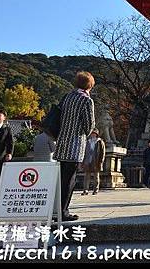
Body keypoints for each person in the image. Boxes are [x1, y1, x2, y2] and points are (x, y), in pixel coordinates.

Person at [53, 71, 96, 221]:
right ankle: (63, 211)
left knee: (60, 178)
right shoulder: (86, 100)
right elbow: (89, 125)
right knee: (69, 179)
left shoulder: (67, 97)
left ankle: (55, 209)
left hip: (61, 142)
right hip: (75, 143)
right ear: (89, 85)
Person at [82, 128, 105, 195]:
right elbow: (84, 151)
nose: (93, 135)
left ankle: (96, 190)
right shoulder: (88, 141)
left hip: (96, 160)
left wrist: (101, 162)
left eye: (94, 133)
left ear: (96, 134)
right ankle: (85, 190)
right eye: (92, 133)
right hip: (88, 160)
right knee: (86, 176)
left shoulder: (100, 142)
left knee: (96, 176)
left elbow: (102, 153)